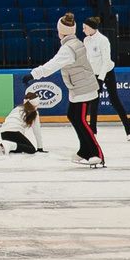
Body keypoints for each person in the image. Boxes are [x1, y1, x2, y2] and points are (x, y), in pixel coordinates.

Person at [29, 13, 104, 168]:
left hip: (83, 88)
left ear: (61, 31)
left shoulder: (68, 49)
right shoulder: (72, 43)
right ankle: (84, 150)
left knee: (81, 120)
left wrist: (33, 74)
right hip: (78, 87)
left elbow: (52, 65)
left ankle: (97, 153)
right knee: (73, 116)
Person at [83, 13, 130, 143]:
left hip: (107, 72)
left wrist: (101, 79)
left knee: (115, 101)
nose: (83, 30)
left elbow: (106, 61)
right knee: (93, 103)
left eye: (85, 28)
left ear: (91, 27)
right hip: (94, 74)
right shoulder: (86, 40)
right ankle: (92, 131)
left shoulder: (103, 40)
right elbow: (88, 60)